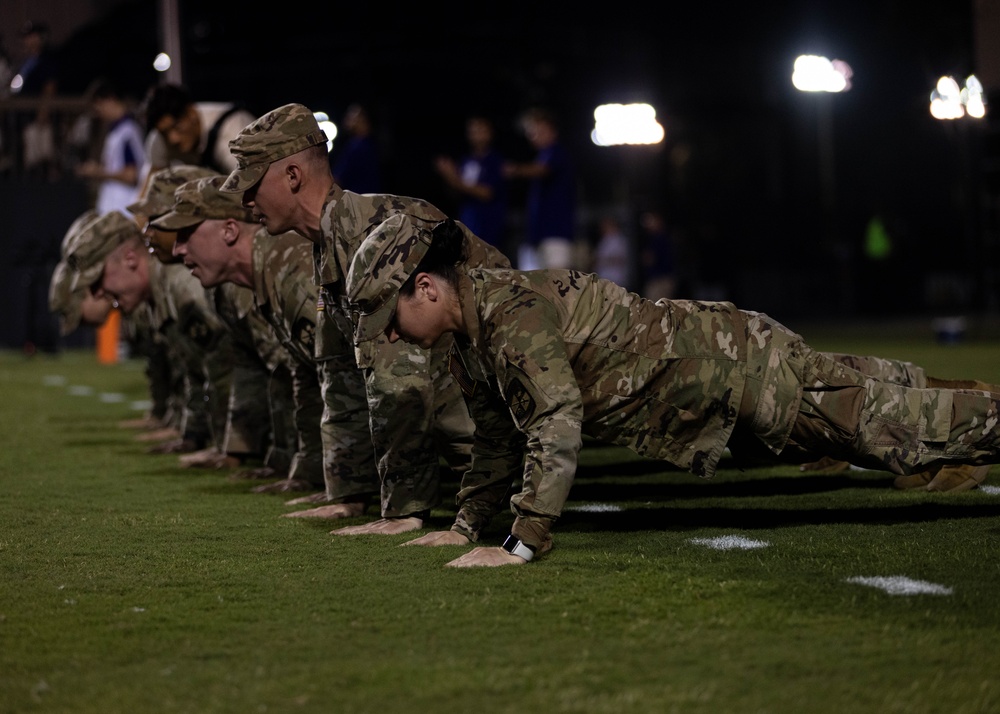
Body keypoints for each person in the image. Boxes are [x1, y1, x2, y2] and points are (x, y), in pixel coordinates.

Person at [344, 216, 1000, 567]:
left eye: (391, 320)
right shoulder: (467, 342)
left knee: (902, 430)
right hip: (721, 386)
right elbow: (495, 440)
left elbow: (556, 417)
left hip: (736, 375)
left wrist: (522, 539)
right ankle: (957, 402)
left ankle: (970, 417)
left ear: (426, 289)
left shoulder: (508, 315)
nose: (394, 338)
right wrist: (462, 527)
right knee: (879, 405)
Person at [220, 102, 511, 533]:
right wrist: (350, 496)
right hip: (471, 422)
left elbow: (402, 387)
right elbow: (338, 376)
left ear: (293, 176)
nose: (246, 200)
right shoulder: (327, 242)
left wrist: (403, 512)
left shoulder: (372, 237)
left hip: (507, 417)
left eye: (253, 184)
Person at [152, 175, 327, 494]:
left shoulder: (290, 271)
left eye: (187, 234)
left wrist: (351, 491)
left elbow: (347, 380)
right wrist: (300, 468)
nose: (178, 249)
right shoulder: (242, 282)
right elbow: (294, 376)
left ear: (230, 230)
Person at [65, 210, 236, 458]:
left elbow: (232, 366)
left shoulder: (182, 287)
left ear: (130, 258)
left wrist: (232, 449)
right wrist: (194, 437)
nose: (99, 294)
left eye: (99, 281)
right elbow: (200, 373)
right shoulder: (158, 295)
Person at [138, 83, 255, 198]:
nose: (172, 139)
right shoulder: (160, 138)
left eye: (177, 127)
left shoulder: (231, 130)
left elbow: (252, 185)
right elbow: (149, 190)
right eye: (165, 133)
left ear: (191, 113)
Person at [503, 107, 577, 270]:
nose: (535, 134)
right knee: (536, 291)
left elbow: (541, 170)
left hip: (556, 234)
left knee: (558, 288)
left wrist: (515, 170)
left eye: (540, 129)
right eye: (533, 130)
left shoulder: (556, 152)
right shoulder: (542, 155)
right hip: (538, 236)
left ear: (552, 130)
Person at [433, 115, 507, 250]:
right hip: (467, 224)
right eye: (473, 131)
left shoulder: (495, 160)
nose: (477, 135)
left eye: (481, 130)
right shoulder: (466, 161)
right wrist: (448, 177)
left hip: (488, 227)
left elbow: (487, 193)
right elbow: (456, 193)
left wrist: (453, 178)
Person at [75, 77, 146, 217]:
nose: (98, 112)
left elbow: (131, 175)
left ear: (109, 99)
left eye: (99, 106)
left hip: (124, 211)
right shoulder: (118, 130)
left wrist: (98, 172)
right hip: (117, 211)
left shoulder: (128, 131)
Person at [330, 103, 381, 194]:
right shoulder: (371, 144)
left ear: (363, 118)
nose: (346, 119)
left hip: (358, 203)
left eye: (351, 115)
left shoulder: (357, 146)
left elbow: (337, 180)